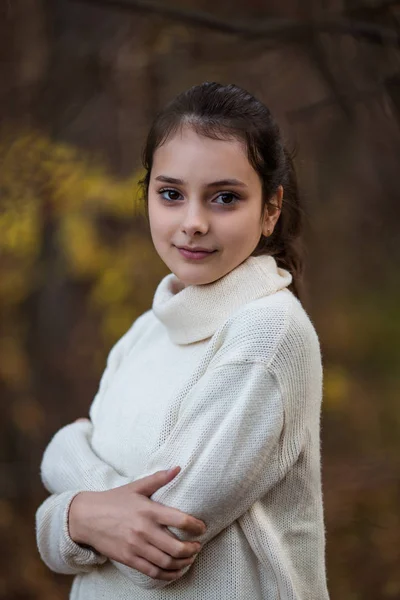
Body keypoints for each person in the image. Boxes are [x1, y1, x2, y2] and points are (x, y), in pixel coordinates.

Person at [35, 82, 330, 600]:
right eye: (171, 194)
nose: (193, 223)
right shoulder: (145, 332)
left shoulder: (268, 333)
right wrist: (76, 515)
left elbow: (161, 543)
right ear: (148, 196)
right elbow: (94, 533)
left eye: (225, 198)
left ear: (270, 210)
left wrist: (66, 479)